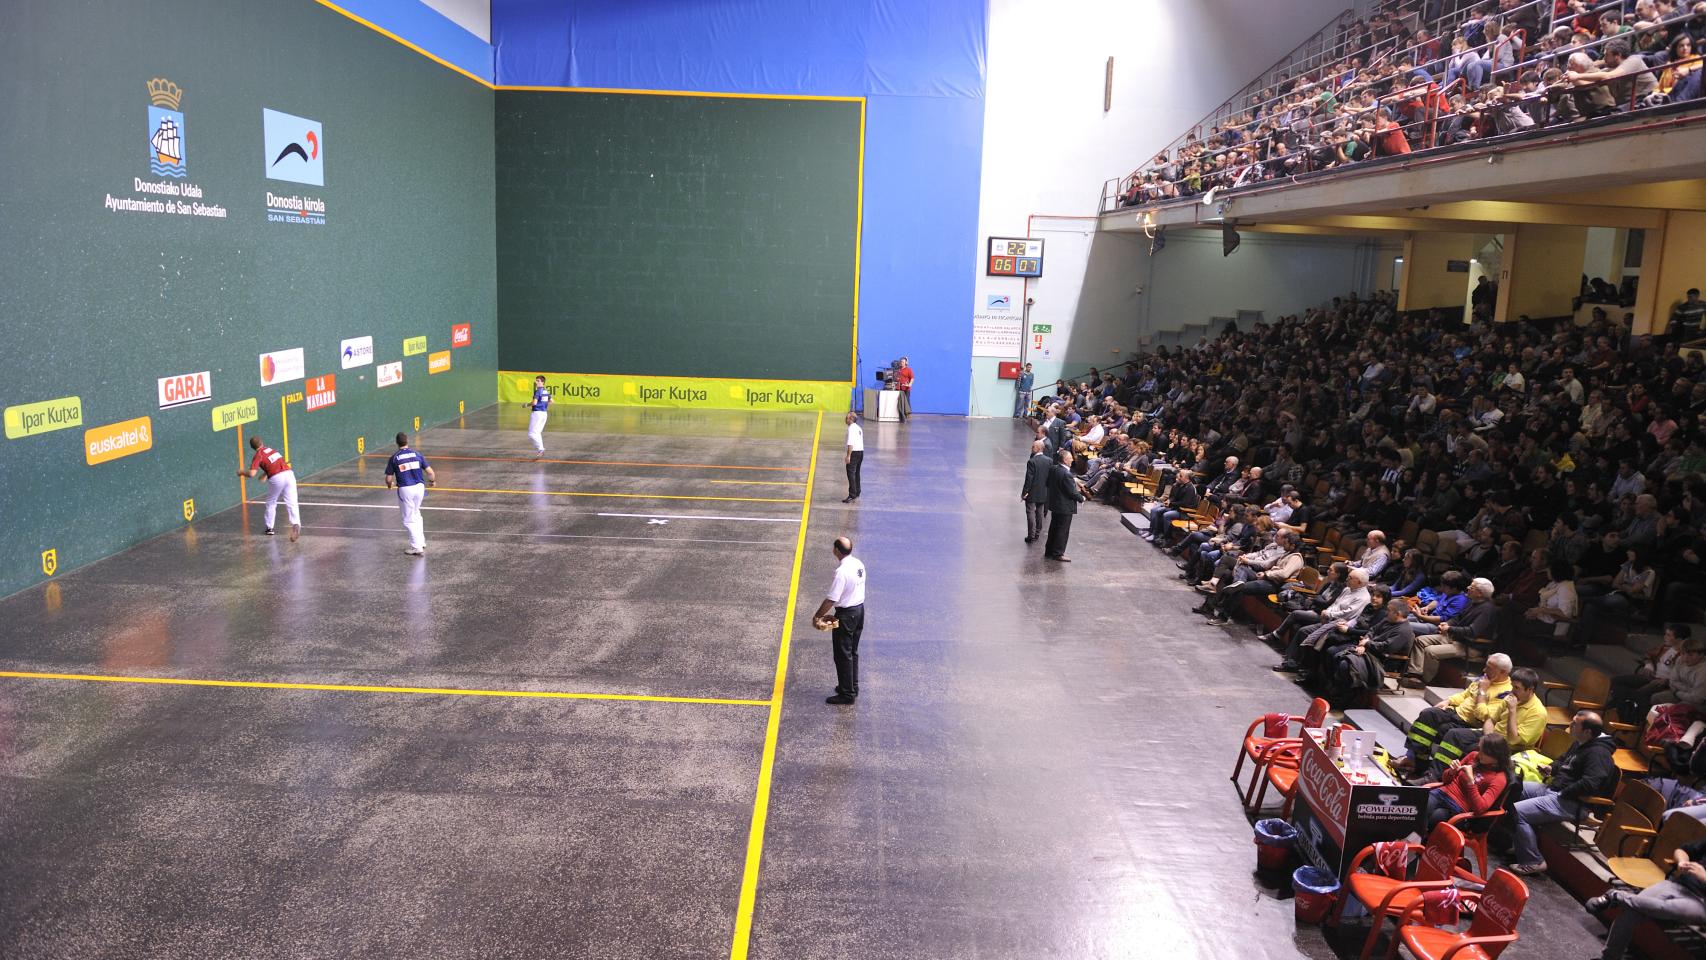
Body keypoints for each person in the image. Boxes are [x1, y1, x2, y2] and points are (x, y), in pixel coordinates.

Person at [1510, 710, 1619, 875]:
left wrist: (1564, 792)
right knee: (1512, 787)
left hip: (1572, 801)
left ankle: (1533, 860)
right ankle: (1521, 844)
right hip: (1555, 790)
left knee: (1519, 812)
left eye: (1575, 724)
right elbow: (1564, 762)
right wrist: (1551, 768)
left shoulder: (1599, 754)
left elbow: (1591, 783)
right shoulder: (1580, 742)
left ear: (1588, 731)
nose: (1570, 725)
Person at [1585, 833, 1706, 960]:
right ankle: (1609, 958)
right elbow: (1682, 850)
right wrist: (1682, 862)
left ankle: (1616, 896)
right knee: (1630, 912)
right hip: (1676, 885)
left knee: (1662, 906)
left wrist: (1703, 877)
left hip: (1700, 901)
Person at [1417, 667, 1549, 783]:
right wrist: (1488, 738)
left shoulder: (1538, 713)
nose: (1512, 691)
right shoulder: (1511, 697)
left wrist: (1513, 711)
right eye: (1512, 686)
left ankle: (1452, 781)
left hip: (1508, 747)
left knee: (1472, 749)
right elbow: (1490, 719)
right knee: (1454, 734)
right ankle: (1433, 775)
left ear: (1530, 690)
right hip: (1492, 736)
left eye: (1517, 688)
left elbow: (1514, 739)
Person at [1394, 653, 1515, 777]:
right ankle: (1414, 759)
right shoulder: (1485, 678)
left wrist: (1482, 691)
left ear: (1503, 672)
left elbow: (1483, 716)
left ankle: (1435, 774)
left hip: (1471, 724)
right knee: (1428, 714)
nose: (1484, 670)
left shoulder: (1505, 692)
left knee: (1449, 733)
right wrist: (1448, 701)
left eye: (1489, 668)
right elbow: (1464, 695)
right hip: (1456, 713)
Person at [812, 536, 866, 705]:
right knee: (852, 652)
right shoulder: (858, 563)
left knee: (843, 655)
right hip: (858, 611)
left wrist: (817, 616)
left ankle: (846, 694)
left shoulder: (842, 572)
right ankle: (852, 686)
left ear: (836, 550)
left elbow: (831, 599)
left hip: (847, 614)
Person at [1423, 732, 1512, 832]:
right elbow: (1445, 780)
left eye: (1484, 752)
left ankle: (1418, 842)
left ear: (1496, 756)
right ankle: (1408, 841)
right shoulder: (1473, 756)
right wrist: (1451, 771)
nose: (1480, 753)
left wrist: (1471, 781)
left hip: (1459, 808)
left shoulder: (1499, 778)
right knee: (1418, 807)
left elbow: (1480, 808)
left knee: (1435, 818)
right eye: (1480, 749)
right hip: (1442, 793)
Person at [384, 432, 436, 556]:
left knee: (408, 519)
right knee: (416, 513)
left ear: (396, 443)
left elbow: (388, 478)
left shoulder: (395, 457)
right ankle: (421, 542)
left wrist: (389, 485)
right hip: (420, 488)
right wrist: (432, 481)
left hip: (406, 489)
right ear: (407, 441)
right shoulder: (417, 454)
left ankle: (416, 547)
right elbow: (430, 472)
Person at [239, 435, 300, 541]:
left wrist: (241, 472)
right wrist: (264, 475)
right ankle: (296, 524)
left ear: (252, 447)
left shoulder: (258, 455)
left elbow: (252, 473)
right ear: (262, 443)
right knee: (292, 502)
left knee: (271, 502)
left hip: (277, 478)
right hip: (289, 475)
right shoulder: (271, 450)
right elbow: (274, 464)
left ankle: (270, 528)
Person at [1045, 448, 1086, 562]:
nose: (1072, 460)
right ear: (1065, 460)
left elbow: (1048, 483)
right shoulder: (1066, 474)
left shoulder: (1053, 469)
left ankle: (1049, 550)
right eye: (1070, 458)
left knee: (1053, 528)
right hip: (1065, 507)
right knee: (1062, 530)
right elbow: (1072, 492)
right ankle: (1058, 553)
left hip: (1055, 504)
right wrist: (1081, 498)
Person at [1021, 439, 1051, 544]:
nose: (1031, 448)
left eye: (1033, 447)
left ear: (1037, 448)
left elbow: (1029, 479)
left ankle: (1031, 535)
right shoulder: (1049, 461)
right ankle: (1037, 533)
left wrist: (1024, 493)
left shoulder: (1032, 461)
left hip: (1032, 492)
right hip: (1044, 491)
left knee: (1030, 512)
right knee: (1039, 512)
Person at [525, 374, 551, 455]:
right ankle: (541, 449)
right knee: (537, 433)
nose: (536, 382)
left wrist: (526, 405)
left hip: (537, 414)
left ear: (543, 382)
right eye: (536, 380)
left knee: (531, 434)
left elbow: (534, 402)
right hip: (544, 414)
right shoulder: (545, 391)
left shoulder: (538, 391)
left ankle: (541, 449)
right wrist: (544, 405)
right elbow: (552, 401)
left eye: (538, 381)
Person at [842, 411, 863, 504]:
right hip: (861, 452)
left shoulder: (851, 428)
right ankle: (857, 491)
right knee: (857, 473)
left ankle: (852, 494)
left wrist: (848, 456)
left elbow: (850, 444)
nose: (845, 420)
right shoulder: (859, 428)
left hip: (854, 453)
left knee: (851, 474)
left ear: (851, 419)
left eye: (847, 418)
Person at [895, 357, 914, 421]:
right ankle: (901, 414)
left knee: (906, 401)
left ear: (906, 363)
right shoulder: (899, 370)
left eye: (903, 362)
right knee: (900, 402)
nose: (901, 363)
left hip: (906, 388)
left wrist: (909, 384)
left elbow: (912, 378)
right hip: (899, 388)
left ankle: (907, 413)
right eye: (901, 362)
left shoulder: (909, 370)